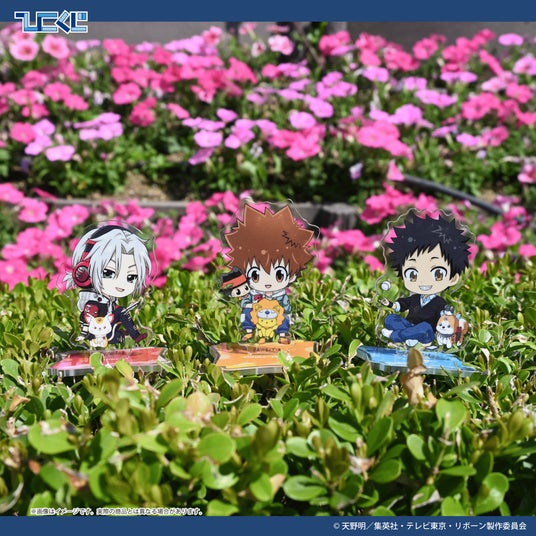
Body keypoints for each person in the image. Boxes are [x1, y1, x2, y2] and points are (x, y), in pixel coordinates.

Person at [223, 203, 315, 344]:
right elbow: (246, 301)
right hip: (257, 315)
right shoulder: (253, 292)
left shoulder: (281, 294)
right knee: (247, 314)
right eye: (255, 276)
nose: (267, 282)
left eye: (279, 275)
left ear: (292, 276)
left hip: (275, 316)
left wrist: (282, 309)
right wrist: (248, 304)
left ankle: (282, 334)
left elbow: (286, 306)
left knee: (284, 317)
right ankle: (249, 332)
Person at [379, 211, 471, 348]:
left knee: (424, 327)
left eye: (437, 273)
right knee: (390, 319)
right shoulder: (415, 298)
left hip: (427, 332)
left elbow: (446, 318)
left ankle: (396, 336)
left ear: (452, 278)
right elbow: (401, 305)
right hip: (410, 326)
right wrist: (389, 304)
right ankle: (410, 336)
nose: (423, 280)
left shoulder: (440, 302)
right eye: (413, 274)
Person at [63, 223, 152, 347]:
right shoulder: (92, 303)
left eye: (131, 277)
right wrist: (84, 334)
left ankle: (135, 336)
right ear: (84, 272)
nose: (121, 283)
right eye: (109, 273)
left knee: (122, 312)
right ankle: (122, 336)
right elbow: (87, 320)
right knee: (119, 315)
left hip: (108, 324)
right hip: (97, 333)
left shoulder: (111, 301)